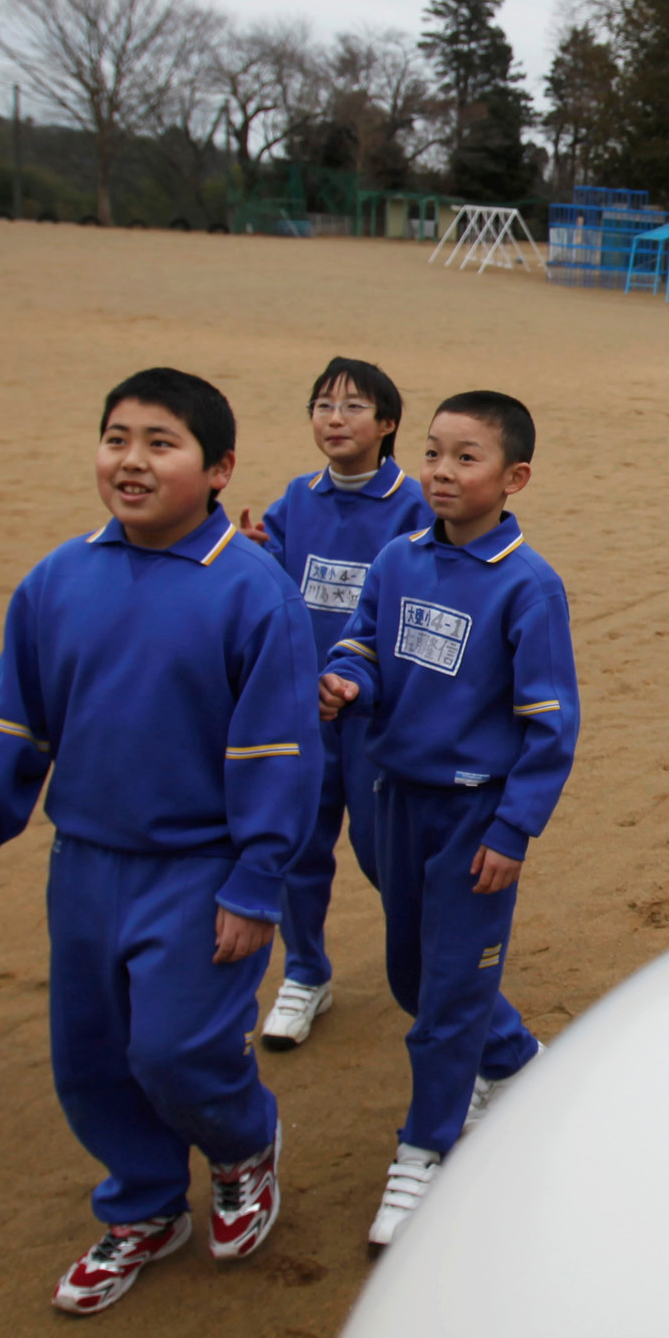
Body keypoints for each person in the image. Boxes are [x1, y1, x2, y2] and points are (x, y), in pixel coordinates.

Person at [0, 369, 321, 1315]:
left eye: (161, 442)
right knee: (93, 1054)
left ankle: (241, 1148)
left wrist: (255, 881)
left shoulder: (253, 593)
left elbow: (280, 752)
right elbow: (10, 724)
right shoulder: (58, 580)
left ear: (219, 467)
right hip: (87, 864)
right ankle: (145, 1204)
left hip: (201, 871)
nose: (132, 461)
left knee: (178, 1050)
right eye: (117, 437)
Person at [328, 389, 578, 1248]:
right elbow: (360, 637)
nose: (440, 470)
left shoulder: (529, 588)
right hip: (397, 801)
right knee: (410, 973)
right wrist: (348, 678)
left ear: (515, 478)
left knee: (444, 999)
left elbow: (551, 726)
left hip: (476, 818)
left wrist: (513, 831)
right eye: (433, 452)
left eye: (465, 458)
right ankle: (512, 1060)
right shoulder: (397, 560)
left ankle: (427, 1148)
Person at [236, 357, 423, 1050]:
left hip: (378, 717)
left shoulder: (414, 503)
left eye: (352, 407)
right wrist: (255, 551)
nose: (334, 418)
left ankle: (437, 966)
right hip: (304, 711)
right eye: (322, 405)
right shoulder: (297, 497)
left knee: (385, 856)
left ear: (388, 423)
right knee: (298, 847)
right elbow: (273, 581)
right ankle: (306, 972)